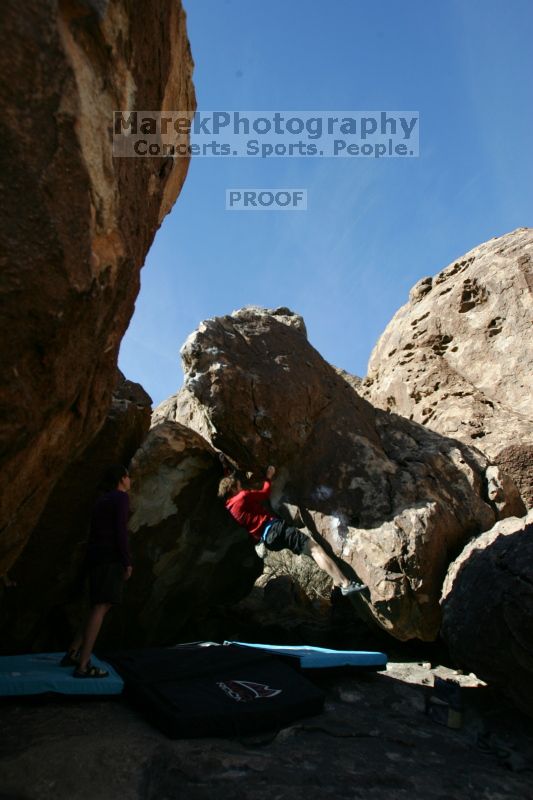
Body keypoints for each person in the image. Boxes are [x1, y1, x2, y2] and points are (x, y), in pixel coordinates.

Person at [218, 465, 366, 596]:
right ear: (232, 489)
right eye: (238, 486)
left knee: (309, 551)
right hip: (276, 529)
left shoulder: (231, 509)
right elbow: (264, 493)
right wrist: (268, 477)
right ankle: (345, 584)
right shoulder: (242, 497)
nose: (241, 488)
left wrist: (224, 464)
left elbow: (229, 482)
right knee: (315, 549)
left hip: (270, 541)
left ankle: (336, 580)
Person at [60, 464, 133, 677]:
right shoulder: (120, 498)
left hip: (96, 558)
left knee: (96, 608)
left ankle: (73, 652)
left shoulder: (102, 500)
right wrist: (126, 560)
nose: (130, 481)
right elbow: (120, 530)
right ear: (122, 478)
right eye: (128, 477)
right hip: (110, 558)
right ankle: (83, 664)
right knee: (101, 607)